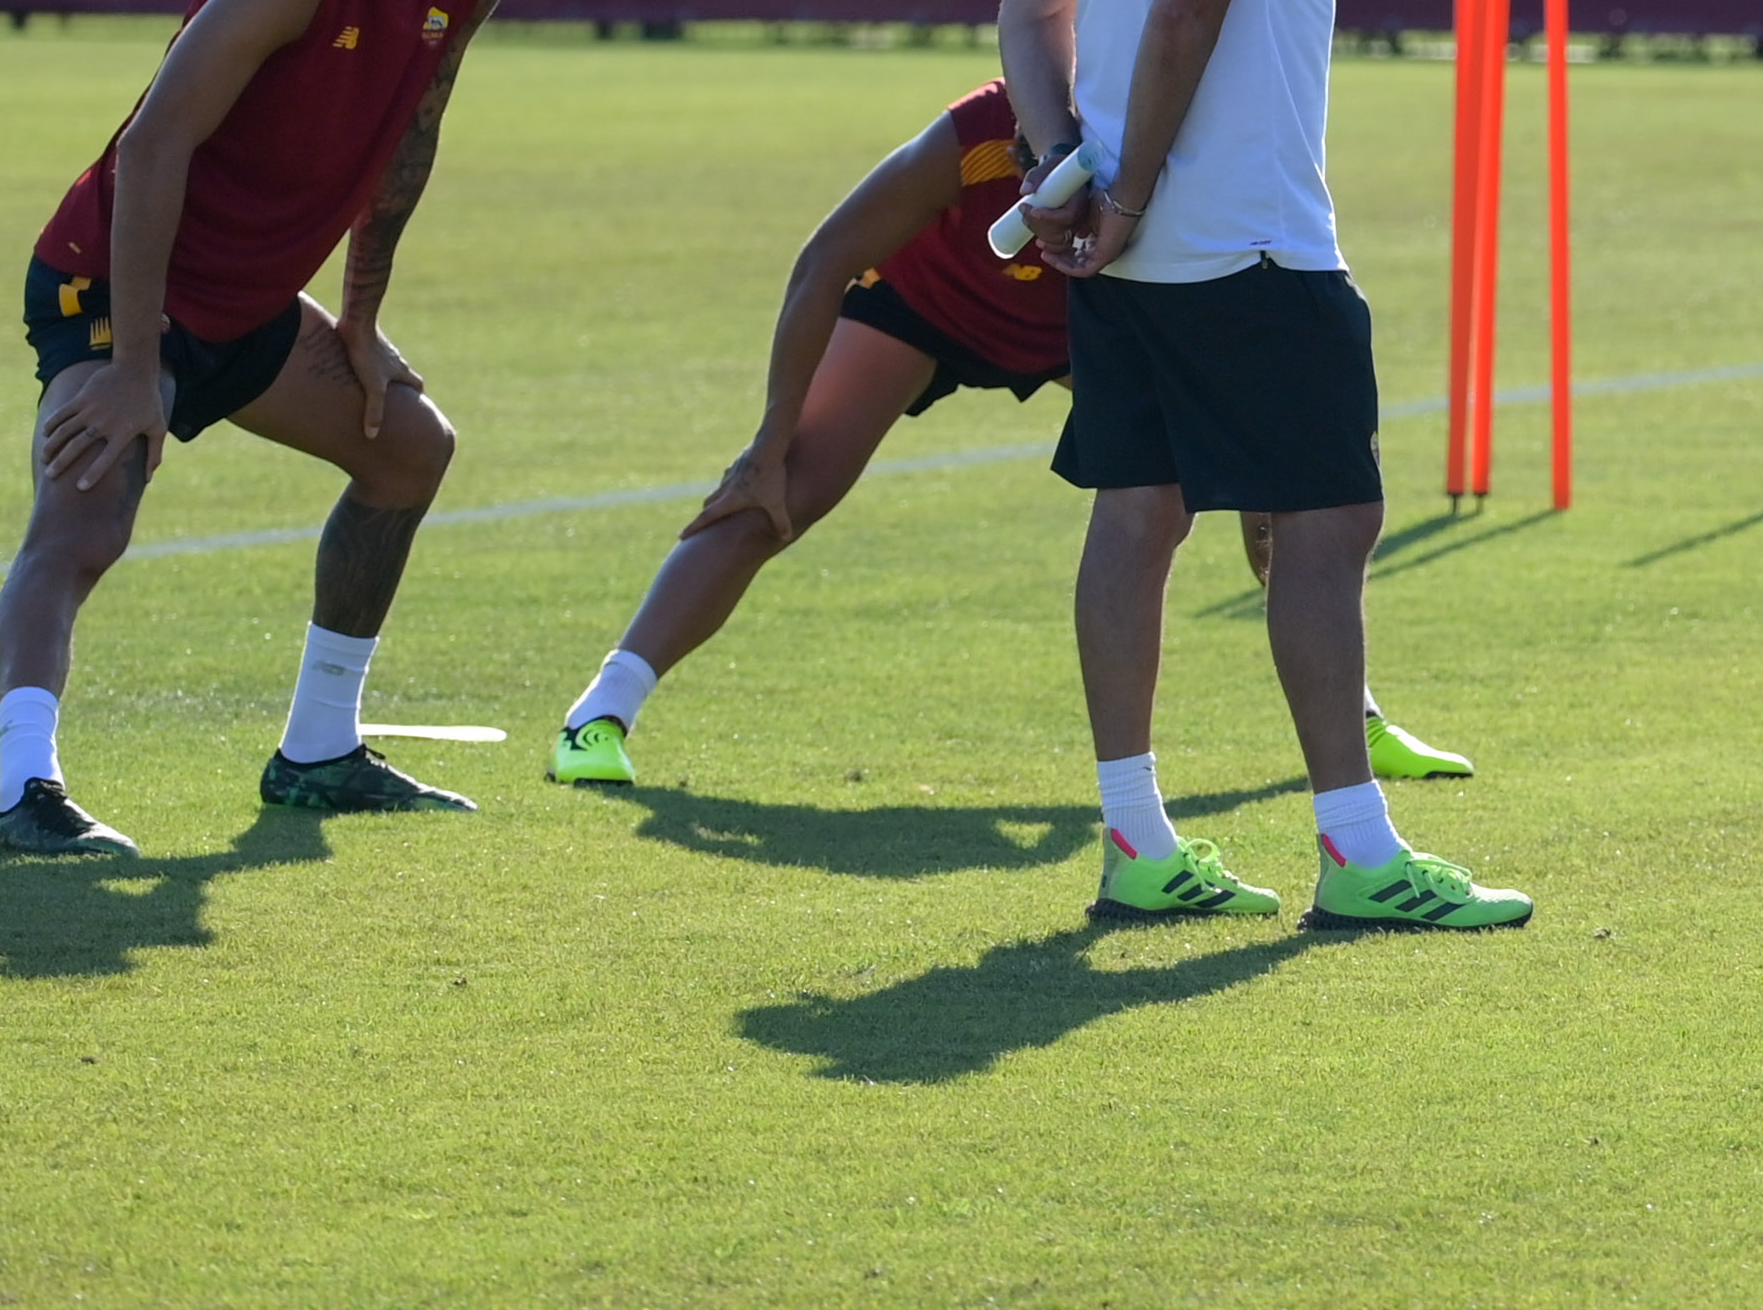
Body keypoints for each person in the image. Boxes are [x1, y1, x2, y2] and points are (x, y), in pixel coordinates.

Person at [1002, 0, 1525, 935]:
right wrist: (1121, 192)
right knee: (1331, 522)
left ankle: (1134, 837)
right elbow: (1187, 11)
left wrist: (1067, 171)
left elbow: (1026, 10)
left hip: (1130, 237)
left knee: (1140, 513)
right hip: (1239, 238)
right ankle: (1356, 854)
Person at [547, 75, 1469, 794]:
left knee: (1269, 489)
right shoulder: (978, 133)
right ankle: (600, 715)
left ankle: (1356, 717)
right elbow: (826, 258)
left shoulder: (1169, 137)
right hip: (927, 309)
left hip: (1089, 327)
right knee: (784, 487)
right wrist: (764, 440)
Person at [0, 0, 518, 854]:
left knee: (409, 448)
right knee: (87, 517)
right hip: (113, 281)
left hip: (247, 301)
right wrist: (137, 370)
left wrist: (361, 318)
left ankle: (318, 750)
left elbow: (411, 131)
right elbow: (151, 146)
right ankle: (22, 791)